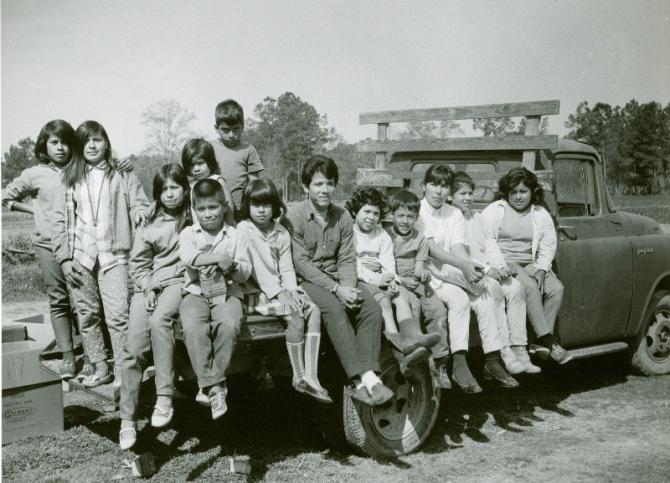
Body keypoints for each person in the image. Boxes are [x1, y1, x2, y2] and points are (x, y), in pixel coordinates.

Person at [284, 155, 393, 407]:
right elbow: (301, 263)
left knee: (371, 307)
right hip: (307, 281)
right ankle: (361, 379)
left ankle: (372, 376)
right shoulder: (294, 217)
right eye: (318, 184)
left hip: (339, 278)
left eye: (330, 184)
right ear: (305, 187)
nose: (325, 190)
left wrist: (348, 287)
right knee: (333, 308)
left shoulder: (343, 216)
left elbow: (345, 258)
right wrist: (336, 289)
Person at [51, 121, 149, 388]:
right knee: (88, 315)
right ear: (79, 147)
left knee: (118, 315)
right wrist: (64, 258)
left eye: (97, 139)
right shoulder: (69, 177)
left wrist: (139, 212)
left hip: (113, 255)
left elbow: (140, 203)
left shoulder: (122, 173)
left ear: (106, 143)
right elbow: (59, 221)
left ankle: (121, 370)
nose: (92, 146)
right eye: (86, 141)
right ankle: (100, 367)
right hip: (80, 257)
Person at [417, 164, 518, 392]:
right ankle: (461, 364)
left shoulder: (453, 213)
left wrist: (469, 267)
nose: (439, 191)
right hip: (430, 272)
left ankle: (490, 359)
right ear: (423, 187)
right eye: (434, 184)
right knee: (470, 293)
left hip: (451, 269)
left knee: (480, 293)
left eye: (444, 186)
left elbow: (458, 248)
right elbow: (431, 250)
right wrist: (464, 266)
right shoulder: (420, 210)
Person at [118, 164, 192, 450]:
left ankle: (164, 398)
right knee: (133, 349)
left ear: (186, 190)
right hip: (147, 287)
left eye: (175, 187)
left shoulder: (194, 217)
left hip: (179, 284)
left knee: (161, 323)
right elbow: (137, 265)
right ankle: (127, 419)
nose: (170, 194)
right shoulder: (149, 225)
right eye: (164, 189)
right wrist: (148, 287)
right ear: (157, 195)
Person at [238, 179, 331, 403]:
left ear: (275, 206)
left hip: (280, 290)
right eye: (255, 204)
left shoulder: (281, 233)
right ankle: (298, 377)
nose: (261, 210)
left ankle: (311, 376)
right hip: (255, 294)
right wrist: (279, 293)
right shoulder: (244, 231)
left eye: (267, 205)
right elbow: (256, 271)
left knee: (312, 309)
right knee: (296, 317)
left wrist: (292, 290)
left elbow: (287, 267)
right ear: (247, 206)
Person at [2, 120, 80, 380]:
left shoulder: (80, 169)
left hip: (80, 244)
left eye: (65, 142)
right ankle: (68, 357)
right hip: (47, 245)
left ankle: (93, 356)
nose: (60, 148)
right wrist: (33, 209)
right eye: (54, 142)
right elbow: (6, 196)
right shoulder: (34, 174)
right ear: (44, 146)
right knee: (59, 300)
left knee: (85, 301)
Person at [480, 167, 572, 364]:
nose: (519, 197)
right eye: (514, 192)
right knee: (529, 287)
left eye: (523, 192)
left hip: (530, 262)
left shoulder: (539, 213)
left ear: (532, 192)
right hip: (505, 261)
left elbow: (548, 244)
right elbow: (487, 239)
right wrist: (500, 264)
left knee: (556, 288)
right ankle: (548, 340)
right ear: (507, 193)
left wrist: (541, 269)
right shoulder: (496, 210)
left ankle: (539, 341)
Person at [178, 178, 252, 420]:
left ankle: (208, 385)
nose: (208, 214)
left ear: (224, 207)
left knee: (229, 324)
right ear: (194, 210)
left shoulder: (235, 234)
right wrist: (216, 258)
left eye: (213, 207)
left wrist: (229, 267)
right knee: (192, 326)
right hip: (196, 292)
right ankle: (216, 388)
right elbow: (188, 257)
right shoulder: (188, 233)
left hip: (228, 291)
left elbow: (245, 271)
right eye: (201, 209)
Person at [449, 172, 537, 375]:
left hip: (488, 269)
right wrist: (490, 270)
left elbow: (490, 244)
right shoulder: (453, 219)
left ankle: (519, 348)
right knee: (495, 290)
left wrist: (500, 266)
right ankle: (504, 352)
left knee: (515, 287)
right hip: (469, 272)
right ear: (450, 196)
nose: (467, 198)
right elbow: (463, 255)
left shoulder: (478, 218)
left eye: (470, 193)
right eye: (462, 193)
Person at [345, 187, 439, 373]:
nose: (371, 217)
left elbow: (387, 262)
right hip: (359, 277)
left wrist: (394, 280)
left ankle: (413, 336)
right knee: (385, 304)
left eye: (376, 213)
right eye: (366, 212)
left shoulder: (381, 234)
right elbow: (353, 265)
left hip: (381, 276)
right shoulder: (350, 233)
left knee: (400, 298)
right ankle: (398, 348)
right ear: (355, 211)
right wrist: (378, 279)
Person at [387, 189, 452, 388]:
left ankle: (440, 361)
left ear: (416, 217)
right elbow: (386, 265)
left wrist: (422, 274)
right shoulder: (387, 236)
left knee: (437, 309)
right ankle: (412, 354)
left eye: (410, 216)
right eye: (400, 216)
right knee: (413, 305)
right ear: (392, 216)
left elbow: (419, 265)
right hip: (397, 281)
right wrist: (403, 282)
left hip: (416, 281)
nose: (405, 221)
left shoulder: (420, 239)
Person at [210, 99, 264, 217]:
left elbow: (254, 183)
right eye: (225, 130)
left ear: (242, 127)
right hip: (213, 208)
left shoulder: (249, 150)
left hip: (241, 210)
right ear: (216, 128)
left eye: (236, 129)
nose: (231, 135)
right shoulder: (210, 148)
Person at [180, 138, 236, 226]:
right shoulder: (191, 185)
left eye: (200, 163)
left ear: (210, 162)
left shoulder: (217, 179)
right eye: (191, 165)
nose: (196, 169)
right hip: (199, 229)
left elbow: (229, 205)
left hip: (220, 227)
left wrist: (230, 224)